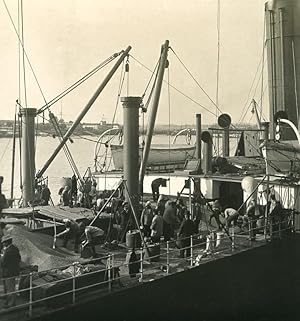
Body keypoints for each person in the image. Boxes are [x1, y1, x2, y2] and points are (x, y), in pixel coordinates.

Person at [0, 234, 21, 308]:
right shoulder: (15, 248)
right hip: (12, 271)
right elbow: (19, 259)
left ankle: (12, 303)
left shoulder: (8, 251)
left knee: (10, 288)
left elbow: (3, 262)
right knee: (8, 287)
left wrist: (2, 257)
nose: (2, 243)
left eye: (3, 242)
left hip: (8, 272)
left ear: (7, 242)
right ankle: (7, 300)